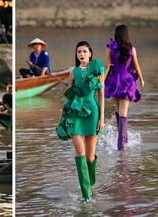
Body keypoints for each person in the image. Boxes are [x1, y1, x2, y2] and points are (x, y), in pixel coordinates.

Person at [56, 41, 105, 201]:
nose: (81, 54)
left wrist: (102, 119)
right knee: (80, 154)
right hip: (75, 112)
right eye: (79, 52)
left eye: (84, 51)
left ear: (90, 54)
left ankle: (90, 185)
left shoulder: (98, 70)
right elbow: (69, 95)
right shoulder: (73, 72)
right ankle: (86, 196)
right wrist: (62, 117)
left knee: (90, 157)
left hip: (92, 112)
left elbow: (101, 95)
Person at [104, 25, 145, 151]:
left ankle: (122, 142)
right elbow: (136, 66)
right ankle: (122, 145)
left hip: (114, 81)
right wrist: (142, 79)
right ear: (127, 35)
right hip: (127, 81)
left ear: (116, 35)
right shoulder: (132, 50)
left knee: (119, 111)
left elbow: (106, 68)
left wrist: (101, 81)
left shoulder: (110, 49)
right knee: (123, 112)